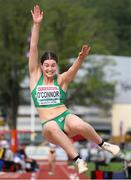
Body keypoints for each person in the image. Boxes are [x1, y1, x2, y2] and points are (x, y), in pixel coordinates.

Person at [29, 5, 120, 174]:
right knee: (51, 127)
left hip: (64, 117)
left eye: (53, 65)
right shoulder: (35, 78)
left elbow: (72, 71)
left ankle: (103, 144)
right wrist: (36, 24)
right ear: (41, 67)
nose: (50, 68)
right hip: (49, 126)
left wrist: (81, 58)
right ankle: (78, 159)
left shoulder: (61, 80)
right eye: (46, 65)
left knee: (79, 124)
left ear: (56, 66)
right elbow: (33, 48)